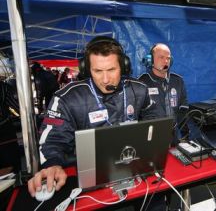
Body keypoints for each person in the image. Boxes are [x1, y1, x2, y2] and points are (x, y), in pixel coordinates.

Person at [27, 36, 157, 197]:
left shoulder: (139, 89)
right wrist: (52, 164)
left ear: (123, 67)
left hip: (134, 169)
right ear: (87, 69)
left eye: (111, 70)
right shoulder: (67, 98)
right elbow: (52, 141)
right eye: (97, 71)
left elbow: (154, 121)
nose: (105, 79)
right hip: (91, 182)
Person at [138, 43, 200, 141]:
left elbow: (183, 113)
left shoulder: (178, 81)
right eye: (161, 57)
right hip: (149, 138)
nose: (165, 61)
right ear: (150, 60)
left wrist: (185, 138)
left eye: (168, 58)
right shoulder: (141, 83)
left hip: (173, 138)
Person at [0, 80, 21, 172]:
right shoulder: (3, 87)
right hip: (4, 128)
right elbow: (15, 107)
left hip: (5, 127)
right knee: (11, 160)